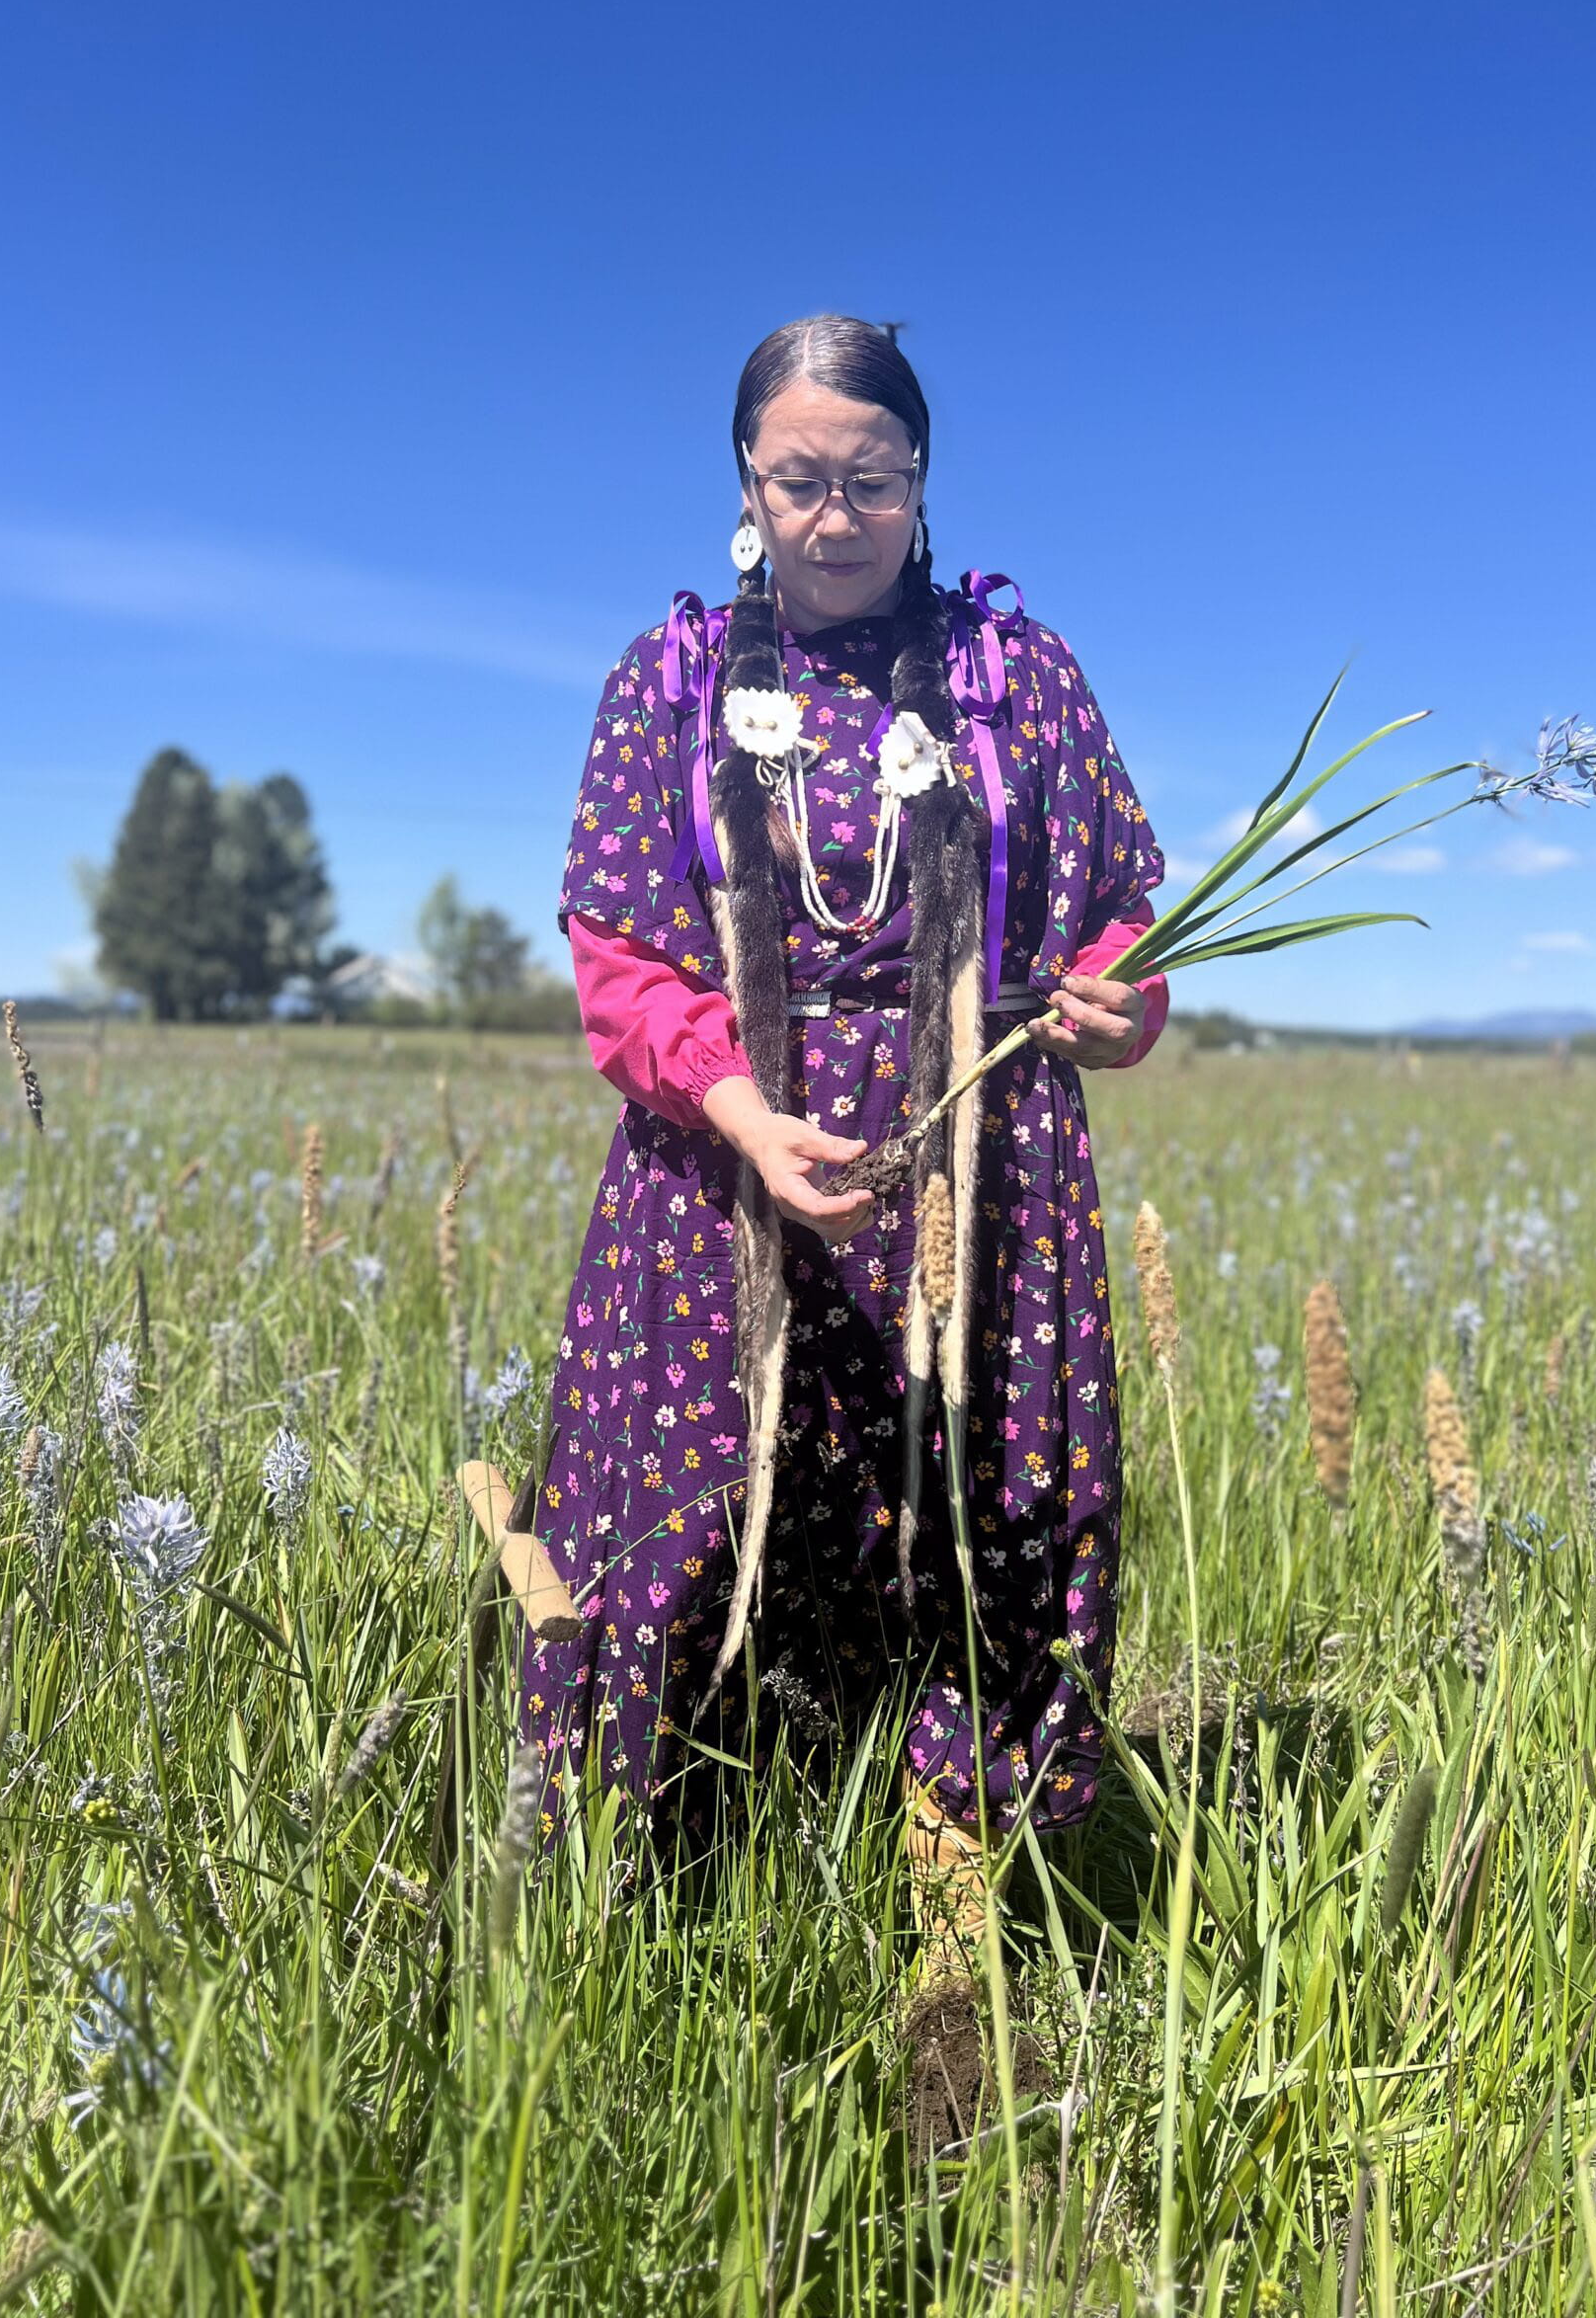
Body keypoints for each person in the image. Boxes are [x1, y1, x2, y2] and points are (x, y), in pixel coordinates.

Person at [520, 315, 1167, 1980]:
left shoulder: (1019, 676)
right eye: (798, 479)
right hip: (729, 1162)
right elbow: (619, 960)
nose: (835, 514)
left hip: (985, 1162)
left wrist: (1113, 1004)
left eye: (870, 478)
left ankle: (969, 1913)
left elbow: (1121, 924)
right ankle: (642, 1894)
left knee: (980, 1521)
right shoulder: (668, 680)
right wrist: (739, 1108)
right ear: (746, 486)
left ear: (922, 480)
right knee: (680, 1520)